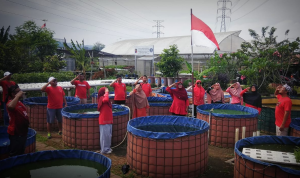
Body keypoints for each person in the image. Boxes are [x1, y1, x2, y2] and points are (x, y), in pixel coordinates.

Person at [6, 84, 29, 157]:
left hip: (23, 131)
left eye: (20, 91)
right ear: (13, 94)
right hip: (16, 132)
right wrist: (17, 96)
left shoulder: (19, 102)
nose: (21, 92)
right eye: (18, 91)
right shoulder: (10, 102)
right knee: (15, 153)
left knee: (21, 151)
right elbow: (10, 107)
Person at [97, 87, 113, 154]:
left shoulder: (105, 98)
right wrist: (106, 93)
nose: (108, 93)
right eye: (106, 91)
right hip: (104, 120)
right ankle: (104, 150)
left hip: (108, 119)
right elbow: (105, 100)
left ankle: (107, 148)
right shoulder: (101, 98)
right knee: (104, 136)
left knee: (108, 135)